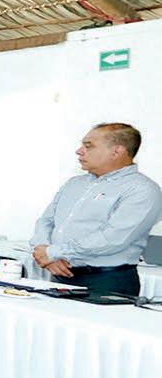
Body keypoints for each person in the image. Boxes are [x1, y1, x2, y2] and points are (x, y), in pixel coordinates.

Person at [31, 123, 162, 296]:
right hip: (60, 275)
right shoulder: (74, 183)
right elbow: (46, 221)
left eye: (88, 146)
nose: (79, 151)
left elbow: (113, 238)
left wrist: (53, 252)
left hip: (106, 281)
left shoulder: (143, 190)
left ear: (116, 151)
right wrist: (45, 253)